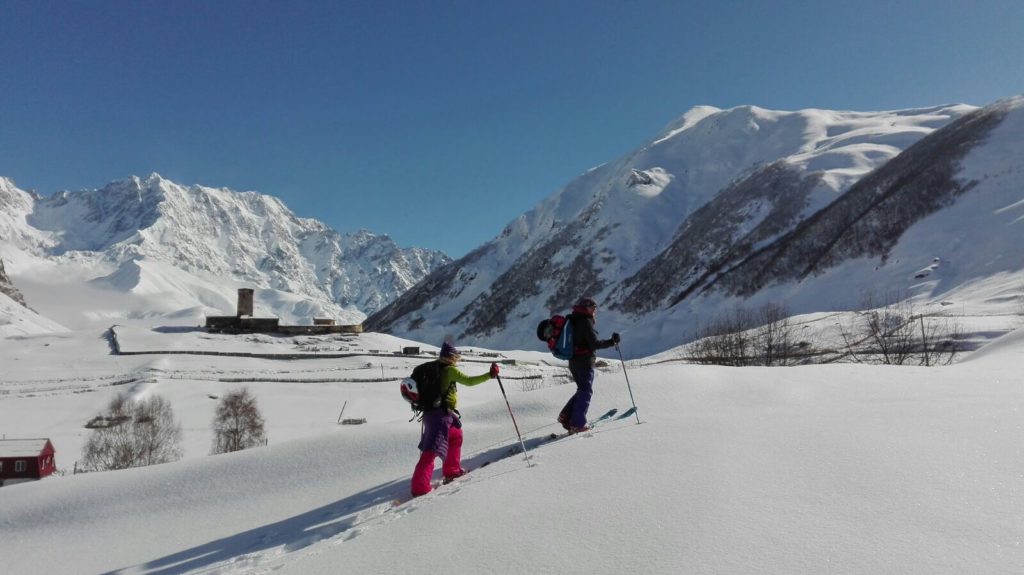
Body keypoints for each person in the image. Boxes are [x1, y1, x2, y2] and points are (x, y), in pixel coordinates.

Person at [410, 341, 500, 497]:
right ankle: (420, 488)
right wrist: (490, 375)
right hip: (439, 417)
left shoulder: (434, 367)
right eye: (456, 357)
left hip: (435, 414)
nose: (457, 360)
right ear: (451, 357)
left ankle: (452, 470)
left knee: (456, 435)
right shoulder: (450, 370)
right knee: (430, 451)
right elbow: (470, 381)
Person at [557, 297, 620, 433]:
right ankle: (577, 424)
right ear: (587, 307)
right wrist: (611, 341)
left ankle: (566, 416)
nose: (595, 310)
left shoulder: (574, 319)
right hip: (585, 362)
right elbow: (594, 344)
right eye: (593, 307)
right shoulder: (585, 321)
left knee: (582, 390)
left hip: (573, 361)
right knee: (586, 391)